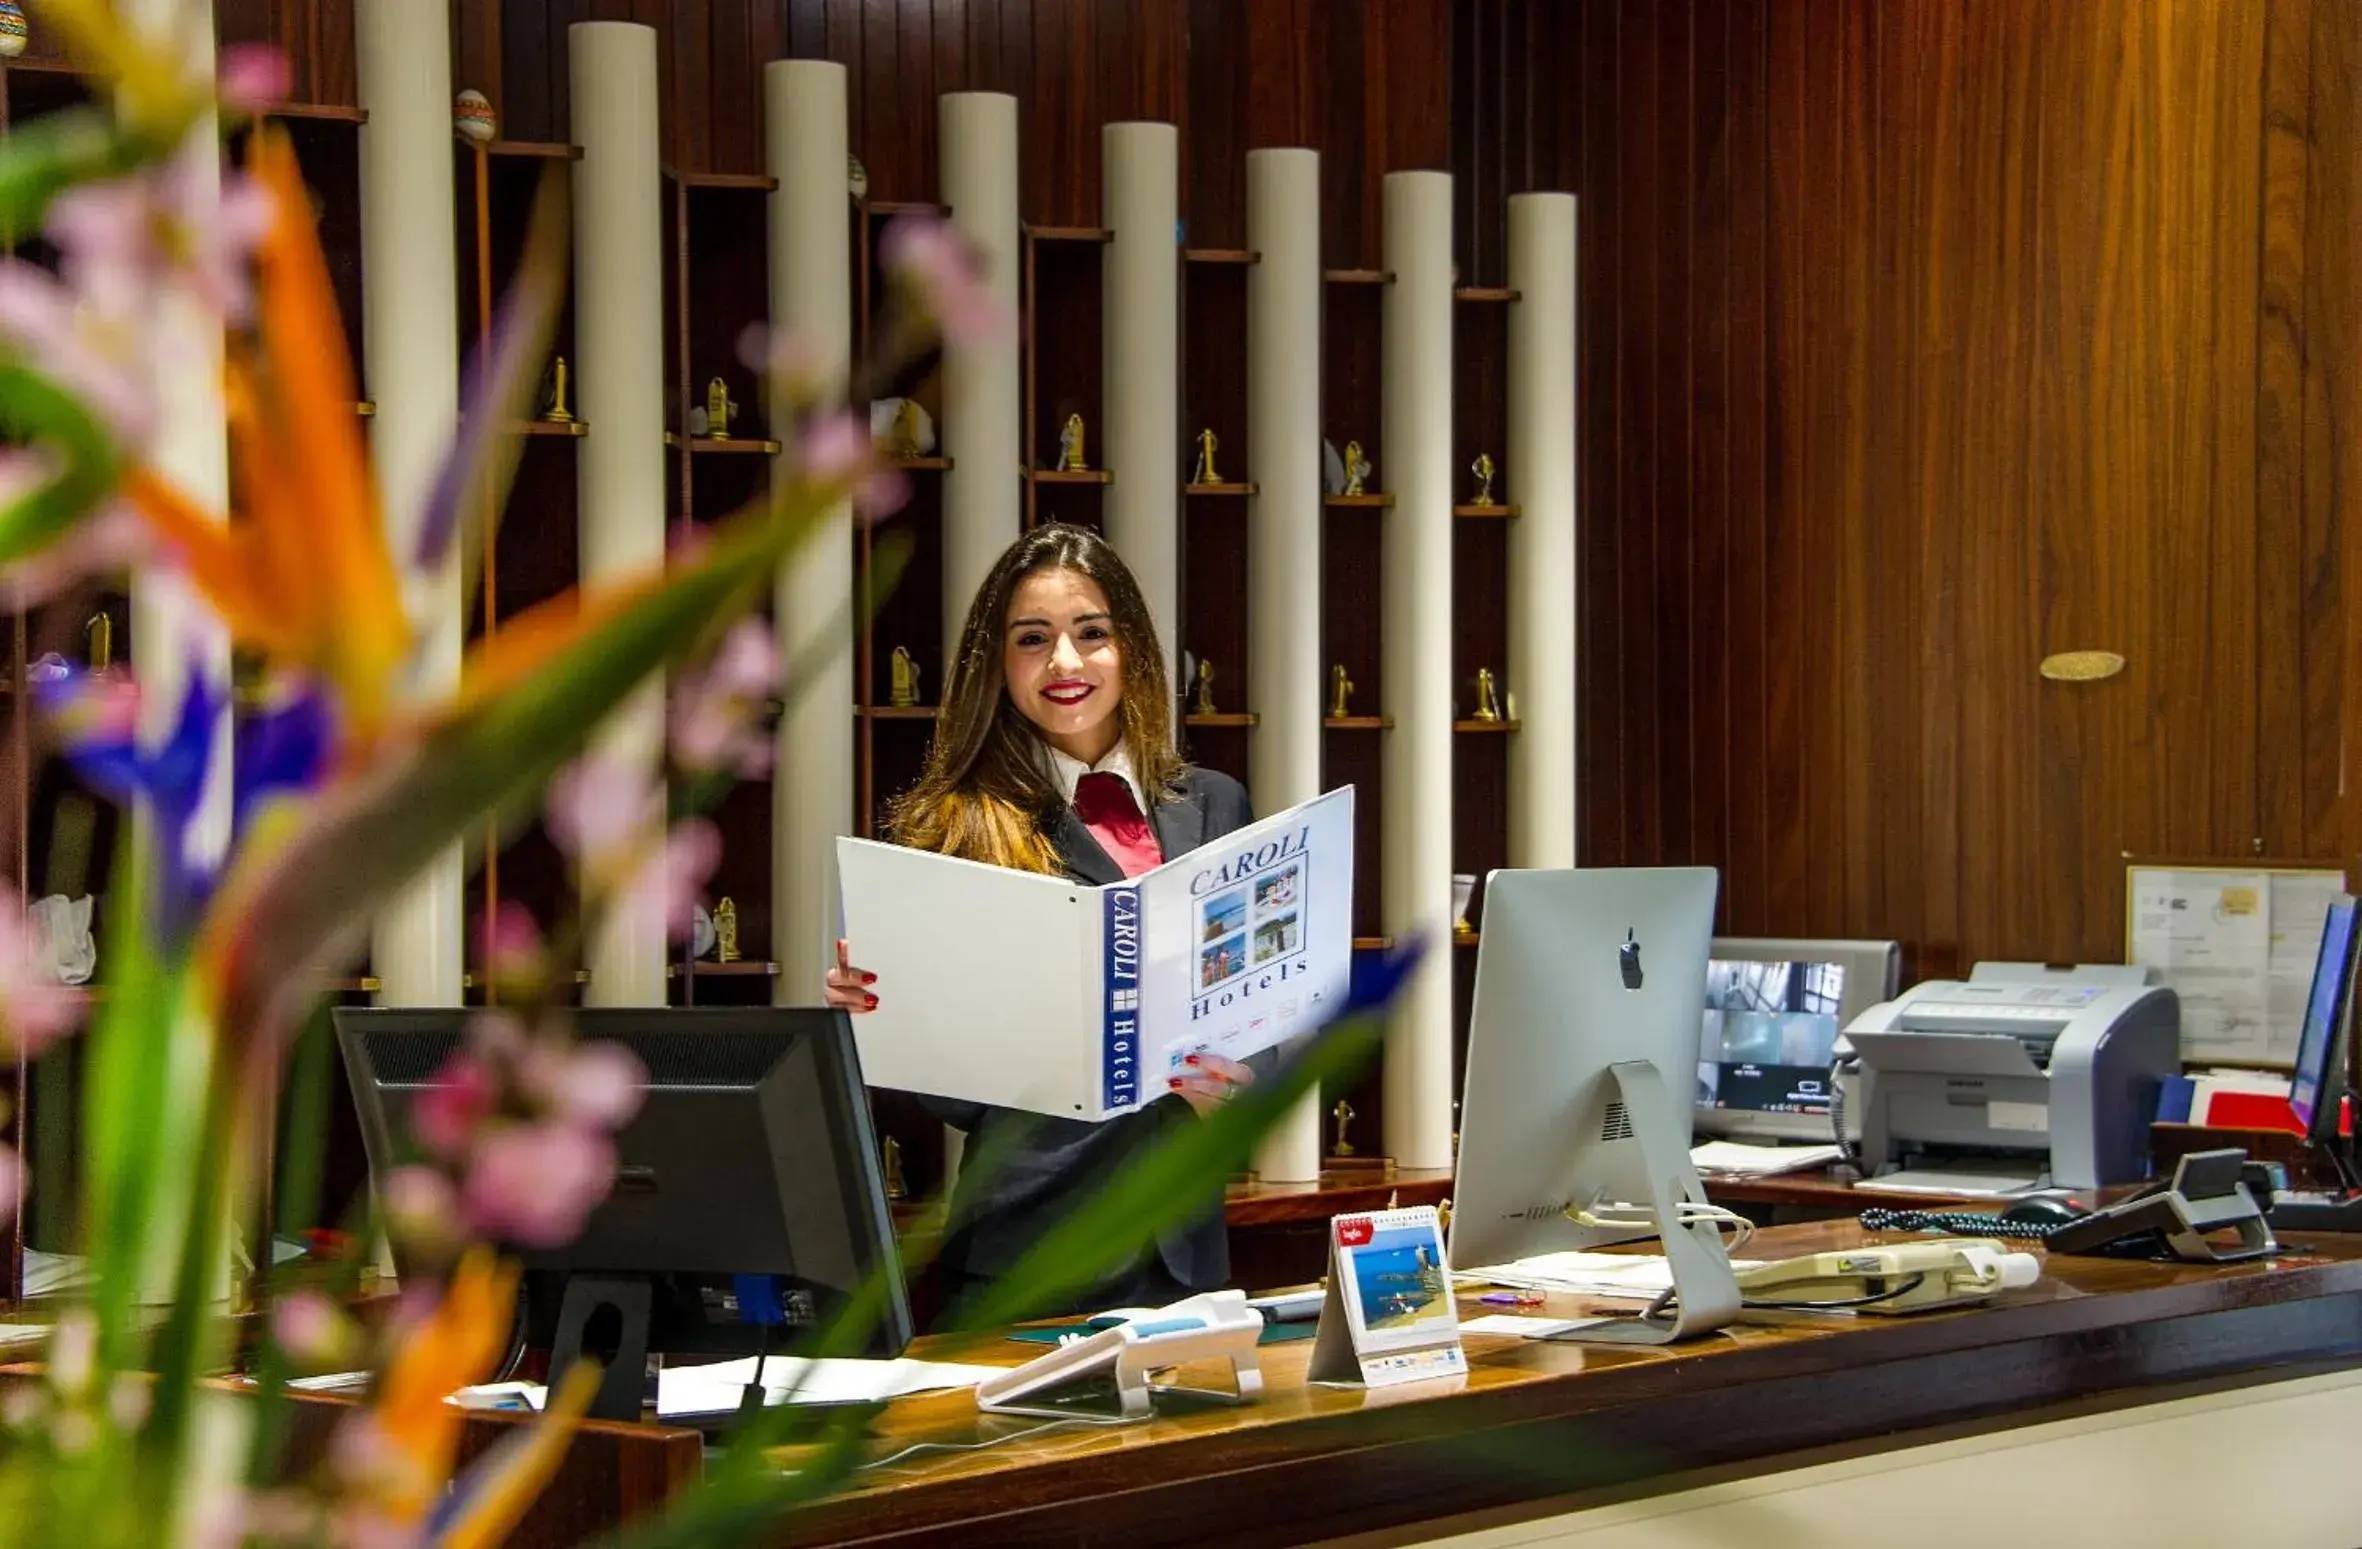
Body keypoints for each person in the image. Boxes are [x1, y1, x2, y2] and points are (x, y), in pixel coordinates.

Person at [827, 523, 1259, 1316]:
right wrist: (886, 1010)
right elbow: (960, 1104)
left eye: (1090, 633)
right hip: (1022, 1257)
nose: (1065, 662)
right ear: (999, 665)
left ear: (1130, 648)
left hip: (1185, 1259)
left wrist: (1242, 1085)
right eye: (1033, 639)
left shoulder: (1215, 803)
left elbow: (1255, 997)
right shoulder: (952, 827)